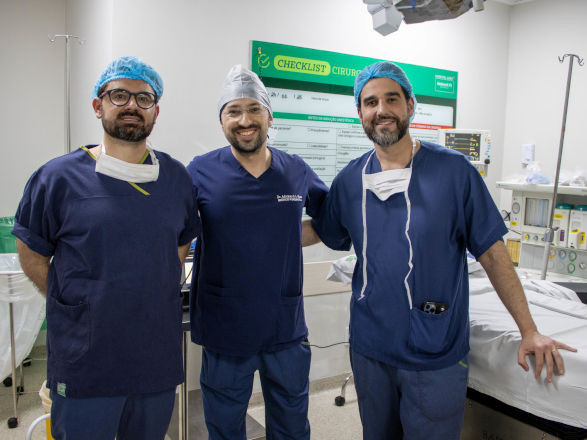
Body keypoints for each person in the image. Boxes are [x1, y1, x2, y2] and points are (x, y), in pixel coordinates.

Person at [312, 61, 577, 439]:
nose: (381, 110)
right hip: (371, 347)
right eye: (370, 102)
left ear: (410, 105)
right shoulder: (349, 180)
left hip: (433, 351)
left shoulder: (454, 172)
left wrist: (529, 330)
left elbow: (493, 253)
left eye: (391, 99)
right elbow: (326, 232)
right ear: (360, 112)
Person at [12, 56, 200, 440]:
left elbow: (180, 245)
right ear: (98, 106)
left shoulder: (176, 178)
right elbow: (31, 252)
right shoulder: (57, 178)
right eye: (119, 95)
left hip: (154, 356)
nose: (132, 105)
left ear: (156, 111)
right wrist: (72, 301)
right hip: (86, 358)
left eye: (144, 98)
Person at [186, 64, 327, 440]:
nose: (245, 120)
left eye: (254, 109)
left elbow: (330, 222)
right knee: (225, 429)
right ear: (221, 120)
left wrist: (283, 237)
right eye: (233, 111)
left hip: (284, 327)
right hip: (225, 328)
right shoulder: (200, 172)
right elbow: (176, 235)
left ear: (269, 116)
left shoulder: (295, 171)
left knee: (291, 426)